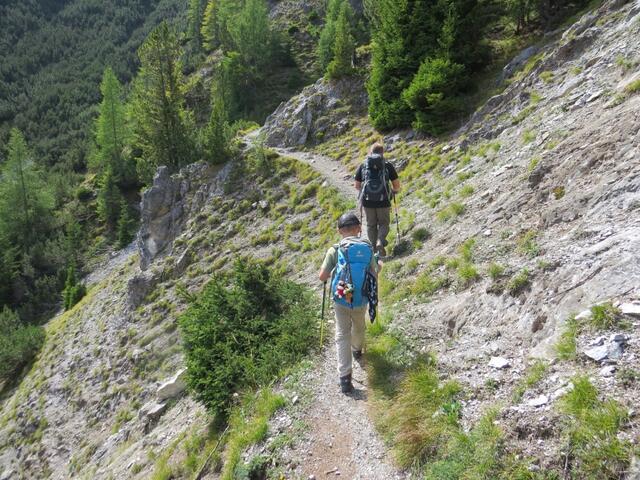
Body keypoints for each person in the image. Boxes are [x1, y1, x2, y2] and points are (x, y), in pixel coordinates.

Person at [318, 212, 381, 394]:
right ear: (359, 229)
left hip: (342, 297)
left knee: (342, 334)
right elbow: (375, 272)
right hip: (361, 298)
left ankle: (345, 378)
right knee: (359, 327)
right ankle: (357, 349)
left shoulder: (335, 250)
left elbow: (322, 276)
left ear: (340, 231)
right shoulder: (367, 248)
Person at [354, 142, 401, 257]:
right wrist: (393, 191)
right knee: (384, 223)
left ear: (371, 152)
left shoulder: (363, 165)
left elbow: (357, 185)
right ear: (382, 152)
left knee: (371, 225)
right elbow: (396, 185)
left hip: (367, 201)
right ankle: (380, 240)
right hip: (383, 200)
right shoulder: (387, 165)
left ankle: (374, 251)